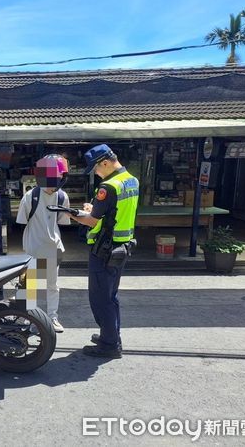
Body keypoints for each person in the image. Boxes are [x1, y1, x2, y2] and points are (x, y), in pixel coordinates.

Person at [68, 144, 139, 359]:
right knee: (111, 296)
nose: (96, 173)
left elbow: (91, 221)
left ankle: (109, 345)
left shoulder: (108, 187)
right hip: (122, 246)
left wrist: (69, 214)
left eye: (96, 169)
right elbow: (114, 212)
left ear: (105, 163)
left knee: (100, 299)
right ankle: (111, 336)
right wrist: (94, 209)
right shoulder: (131, 180)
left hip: (105, 250)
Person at [16, 155, 70, 333]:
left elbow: (62, 222)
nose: (51, 185)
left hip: (53, 248)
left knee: (52, 285)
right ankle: (27, 317)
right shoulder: (30, 196)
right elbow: (22, 221)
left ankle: (52, 317)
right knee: (28, 284)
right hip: (33, 247)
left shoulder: (62, 197)